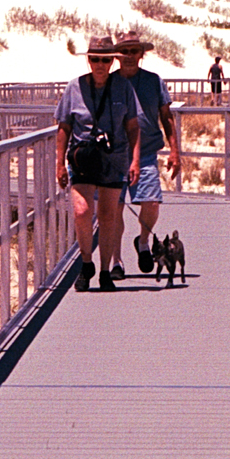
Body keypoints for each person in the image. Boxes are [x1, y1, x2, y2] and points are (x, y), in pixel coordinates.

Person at [55, 42, 139, 290]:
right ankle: (86, 262)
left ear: (113, 61)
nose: (100, 65)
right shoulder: (74, 87)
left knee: (108, 215)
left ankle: (104, 271)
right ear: (88, 60)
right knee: (82, 211)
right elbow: (64, 127)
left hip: (114, 159)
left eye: (105, 60)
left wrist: (135, 160)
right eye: (95, 59)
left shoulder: (123, 87)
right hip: (83, 158)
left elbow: (133, 126)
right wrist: (59, 164)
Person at [108, 35, 181, 277]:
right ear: (117, 55)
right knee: (114, 208)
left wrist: (174, 150)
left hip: (148, 152)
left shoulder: (153, 81)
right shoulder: (108, 83)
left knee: (151, 202)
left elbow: (166, 116)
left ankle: (142, 241)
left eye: (133, 51)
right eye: (124, 51)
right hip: (114, 154)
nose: (129, 55)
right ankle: (117, 262)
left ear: (141, 54)